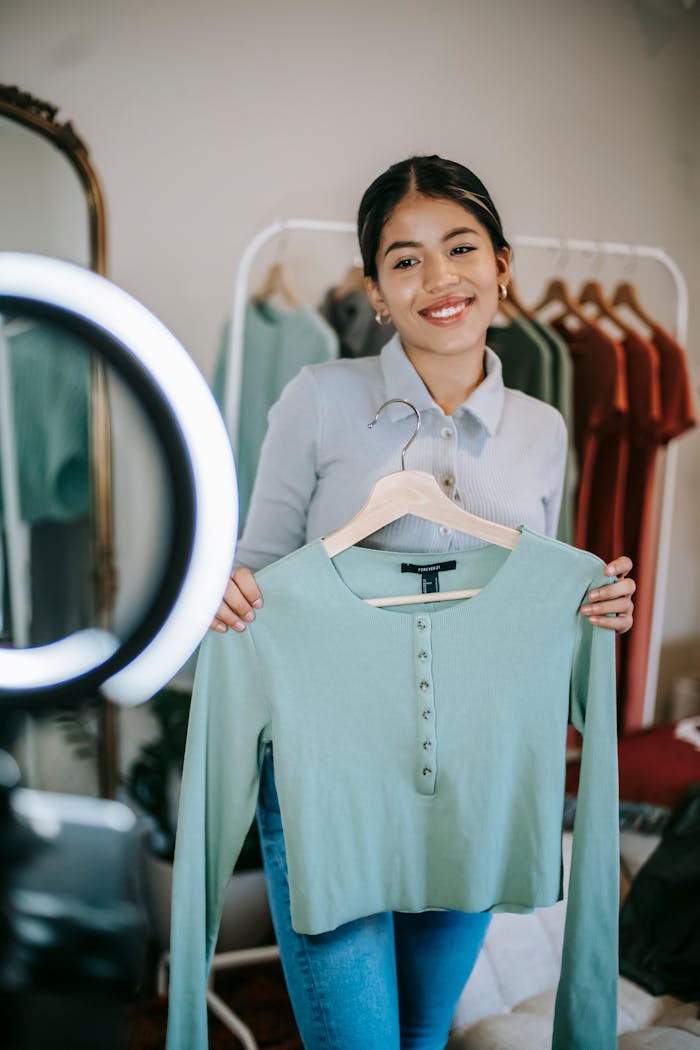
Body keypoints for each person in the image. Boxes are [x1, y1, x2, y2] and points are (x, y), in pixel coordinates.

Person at [209, 155, 635, 1049]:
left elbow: (528, 593)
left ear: (502, 266)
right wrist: (230, 596)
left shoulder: (543, 430)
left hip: (476, 777)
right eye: (405, 260)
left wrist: (596, 608)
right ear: (375, 289)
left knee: (422, 1035)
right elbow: (257, 575)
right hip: (329, 777)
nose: (439, 278)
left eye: (461, 248)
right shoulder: (318, 401)